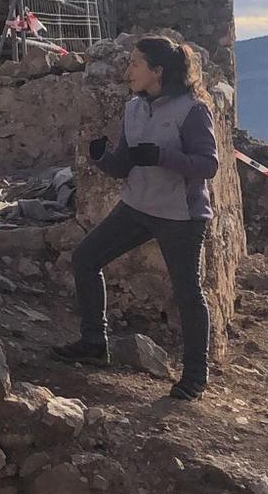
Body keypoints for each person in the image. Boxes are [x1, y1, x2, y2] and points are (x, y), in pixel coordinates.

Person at [57, 35, 219, 402]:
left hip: (181, 216)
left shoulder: (192, 110)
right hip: (137, 206)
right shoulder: (134, 107)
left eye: (135, 63)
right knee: (85, 258)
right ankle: (94, 342)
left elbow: (209, 165)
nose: (127, 70)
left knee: (187, 292)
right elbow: (124, 164)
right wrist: (101, 157)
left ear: (157, 71)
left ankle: (195, 376)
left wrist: (163, 156)